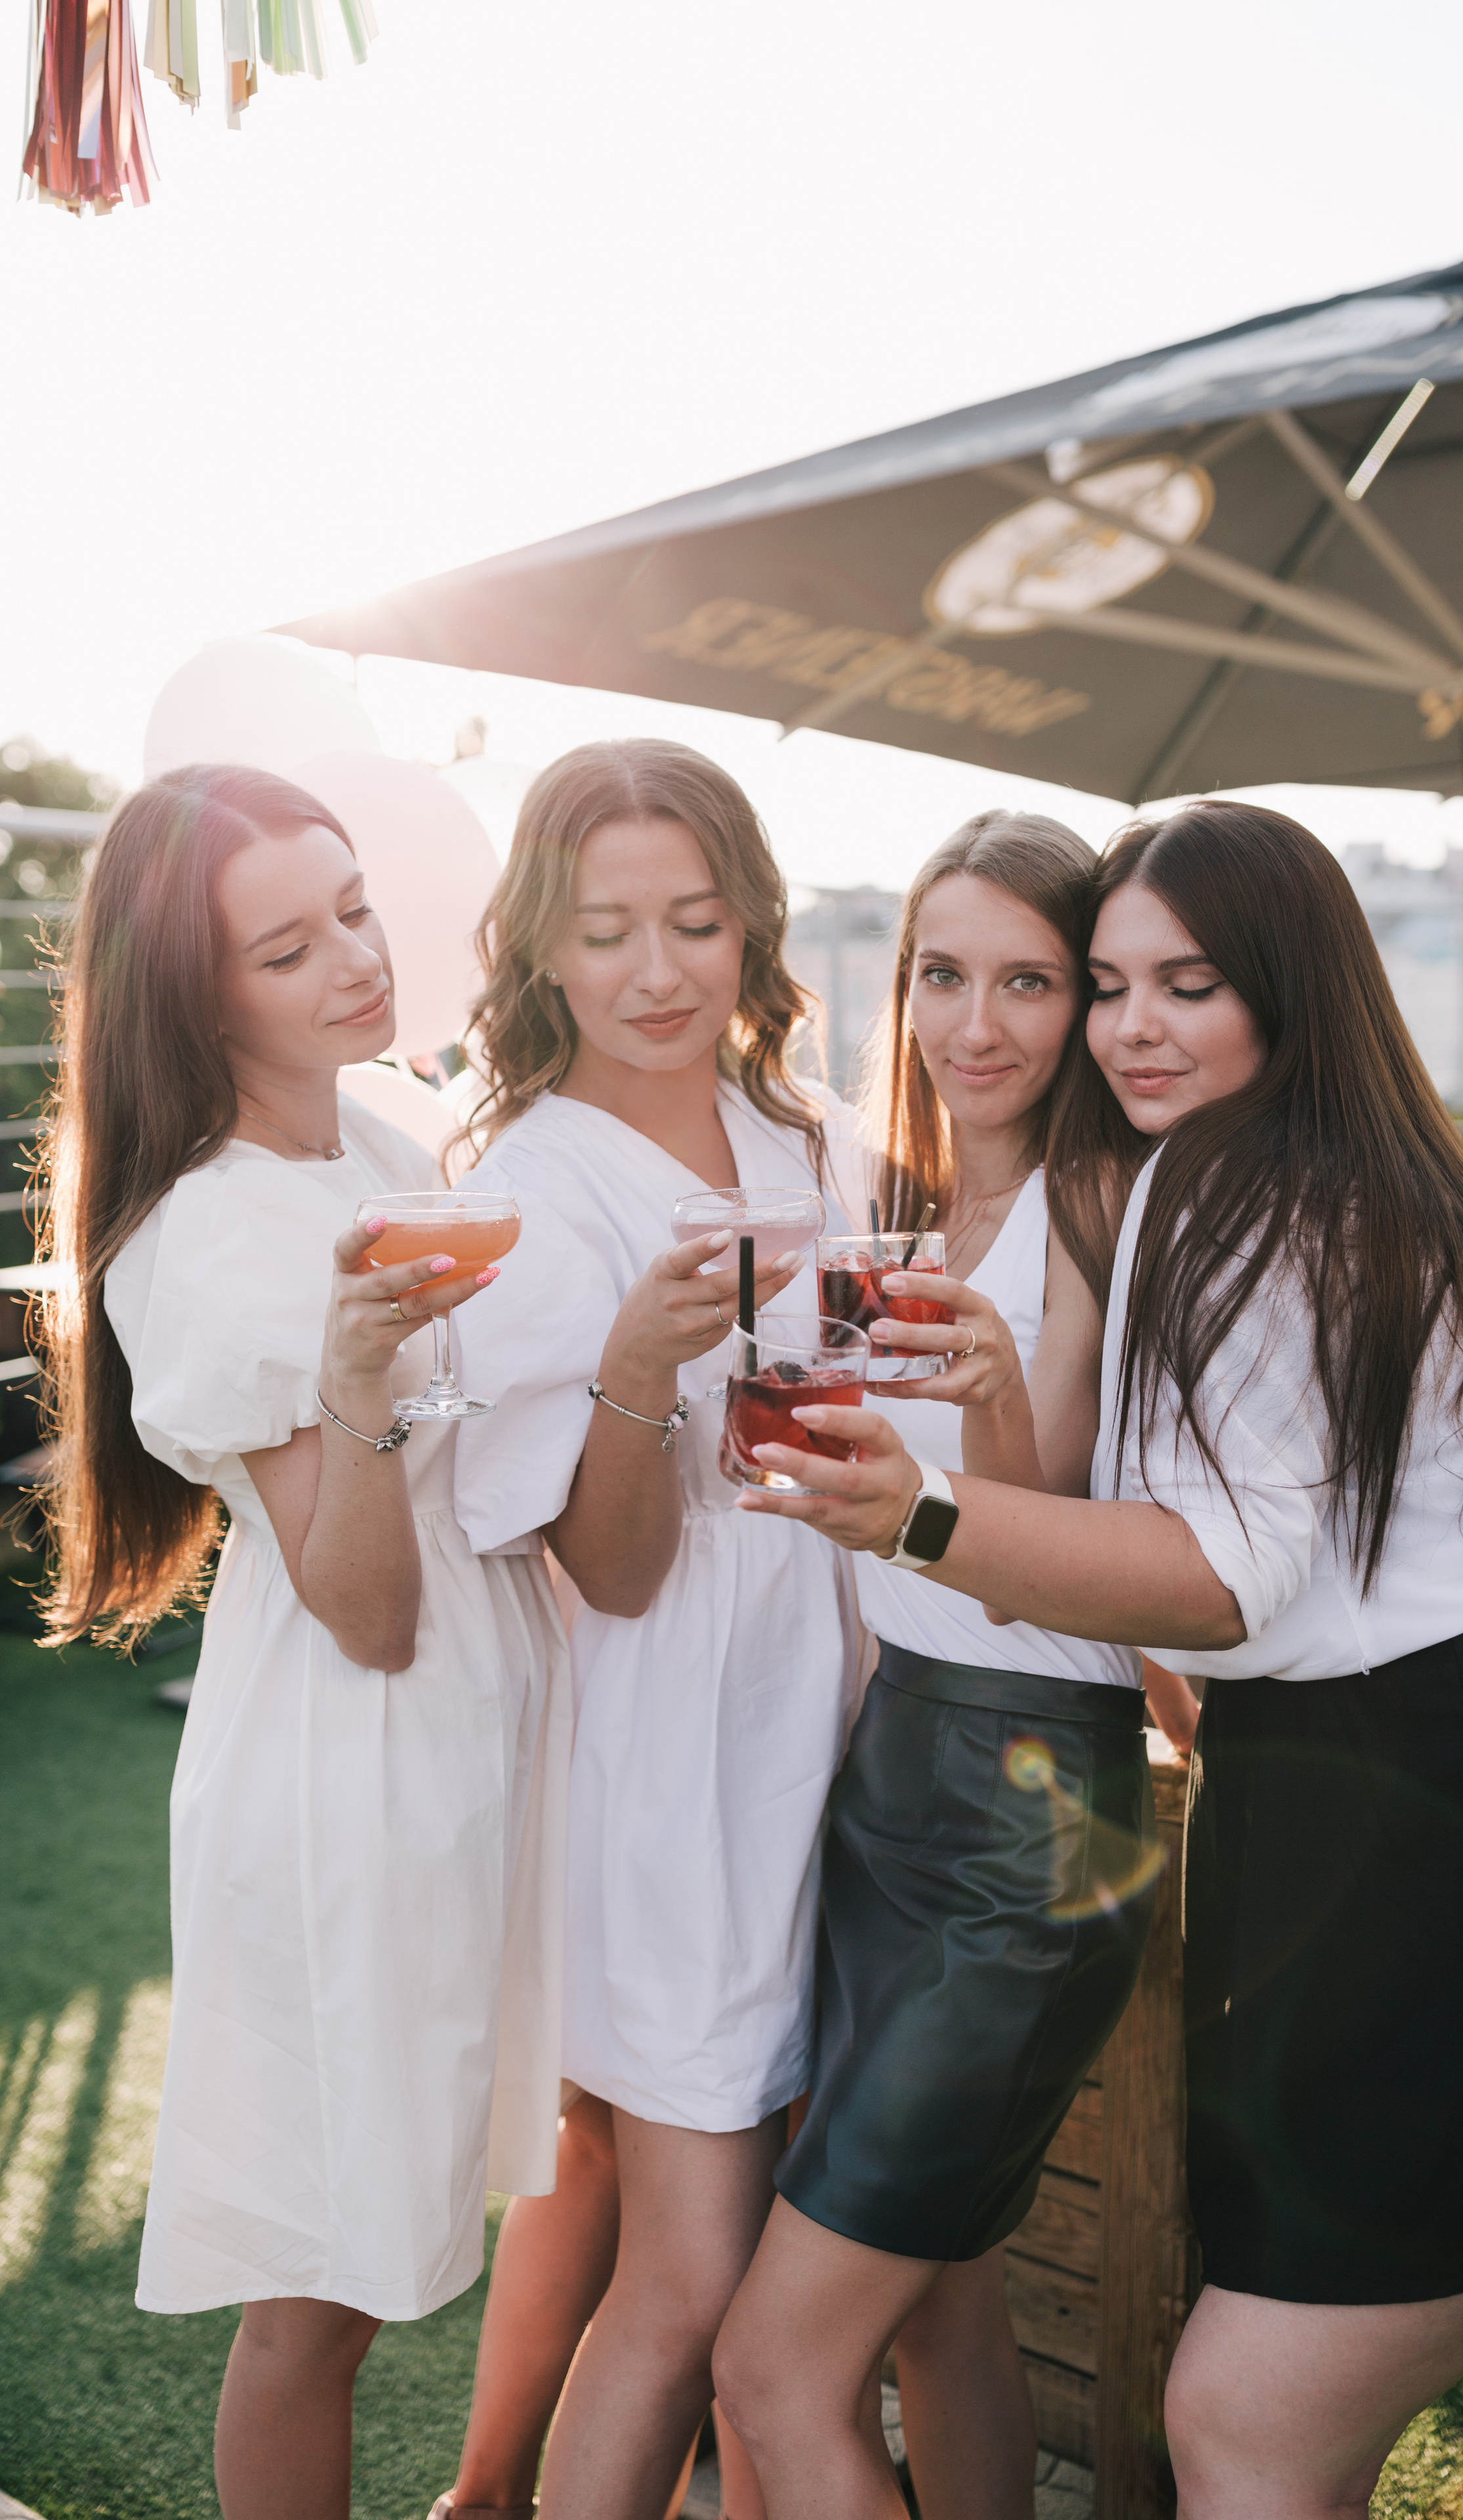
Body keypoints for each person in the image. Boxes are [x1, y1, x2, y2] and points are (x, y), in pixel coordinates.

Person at [715, 799, 1463, 2520]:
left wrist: (915, 1516)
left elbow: (1226, 1574)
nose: (1133, 1027)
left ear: (1291, 995)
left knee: (1244, 2420)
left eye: (1192, 984)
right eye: (1114, 983)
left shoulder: (1227, 1189)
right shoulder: (1376, 1178)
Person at [39, 766, 575, 2520]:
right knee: (322, 2292)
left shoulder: (381, 1143)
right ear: (201, 997)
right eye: (291, 943)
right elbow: (367, 1601)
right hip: (353, 1770)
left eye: (353, 904)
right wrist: (354, 1389)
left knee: (450, 2215)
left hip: (472, 1731)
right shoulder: (204, 1237)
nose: (357, 956)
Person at [699, 807, 1193, 2520]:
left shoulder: (1120, 1208)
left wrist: (982, 1406)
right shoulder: (900, 1219)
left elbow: (1096, 1552)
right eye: (942, 973)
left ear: (1095, 995)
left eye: (1028, 981)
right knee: (942, 2311)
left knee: (770, 2368)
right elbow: (870, 1506)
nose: (975, 1023)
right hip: (893, 1769)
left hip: (1041, 1805)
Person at [431, 738, 869, 2520]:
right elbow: (607, 1575)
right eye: (608, 930)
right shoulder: (527, 1182)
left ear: (755, 921)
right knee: (690, 2286)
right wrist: (632, 1368)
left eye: (696, 921)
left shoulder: (812, 1135)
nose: (659, 971)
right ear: (541, 948)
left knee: (646, 2199)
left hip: (822, 1731)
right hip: (665, 1773)